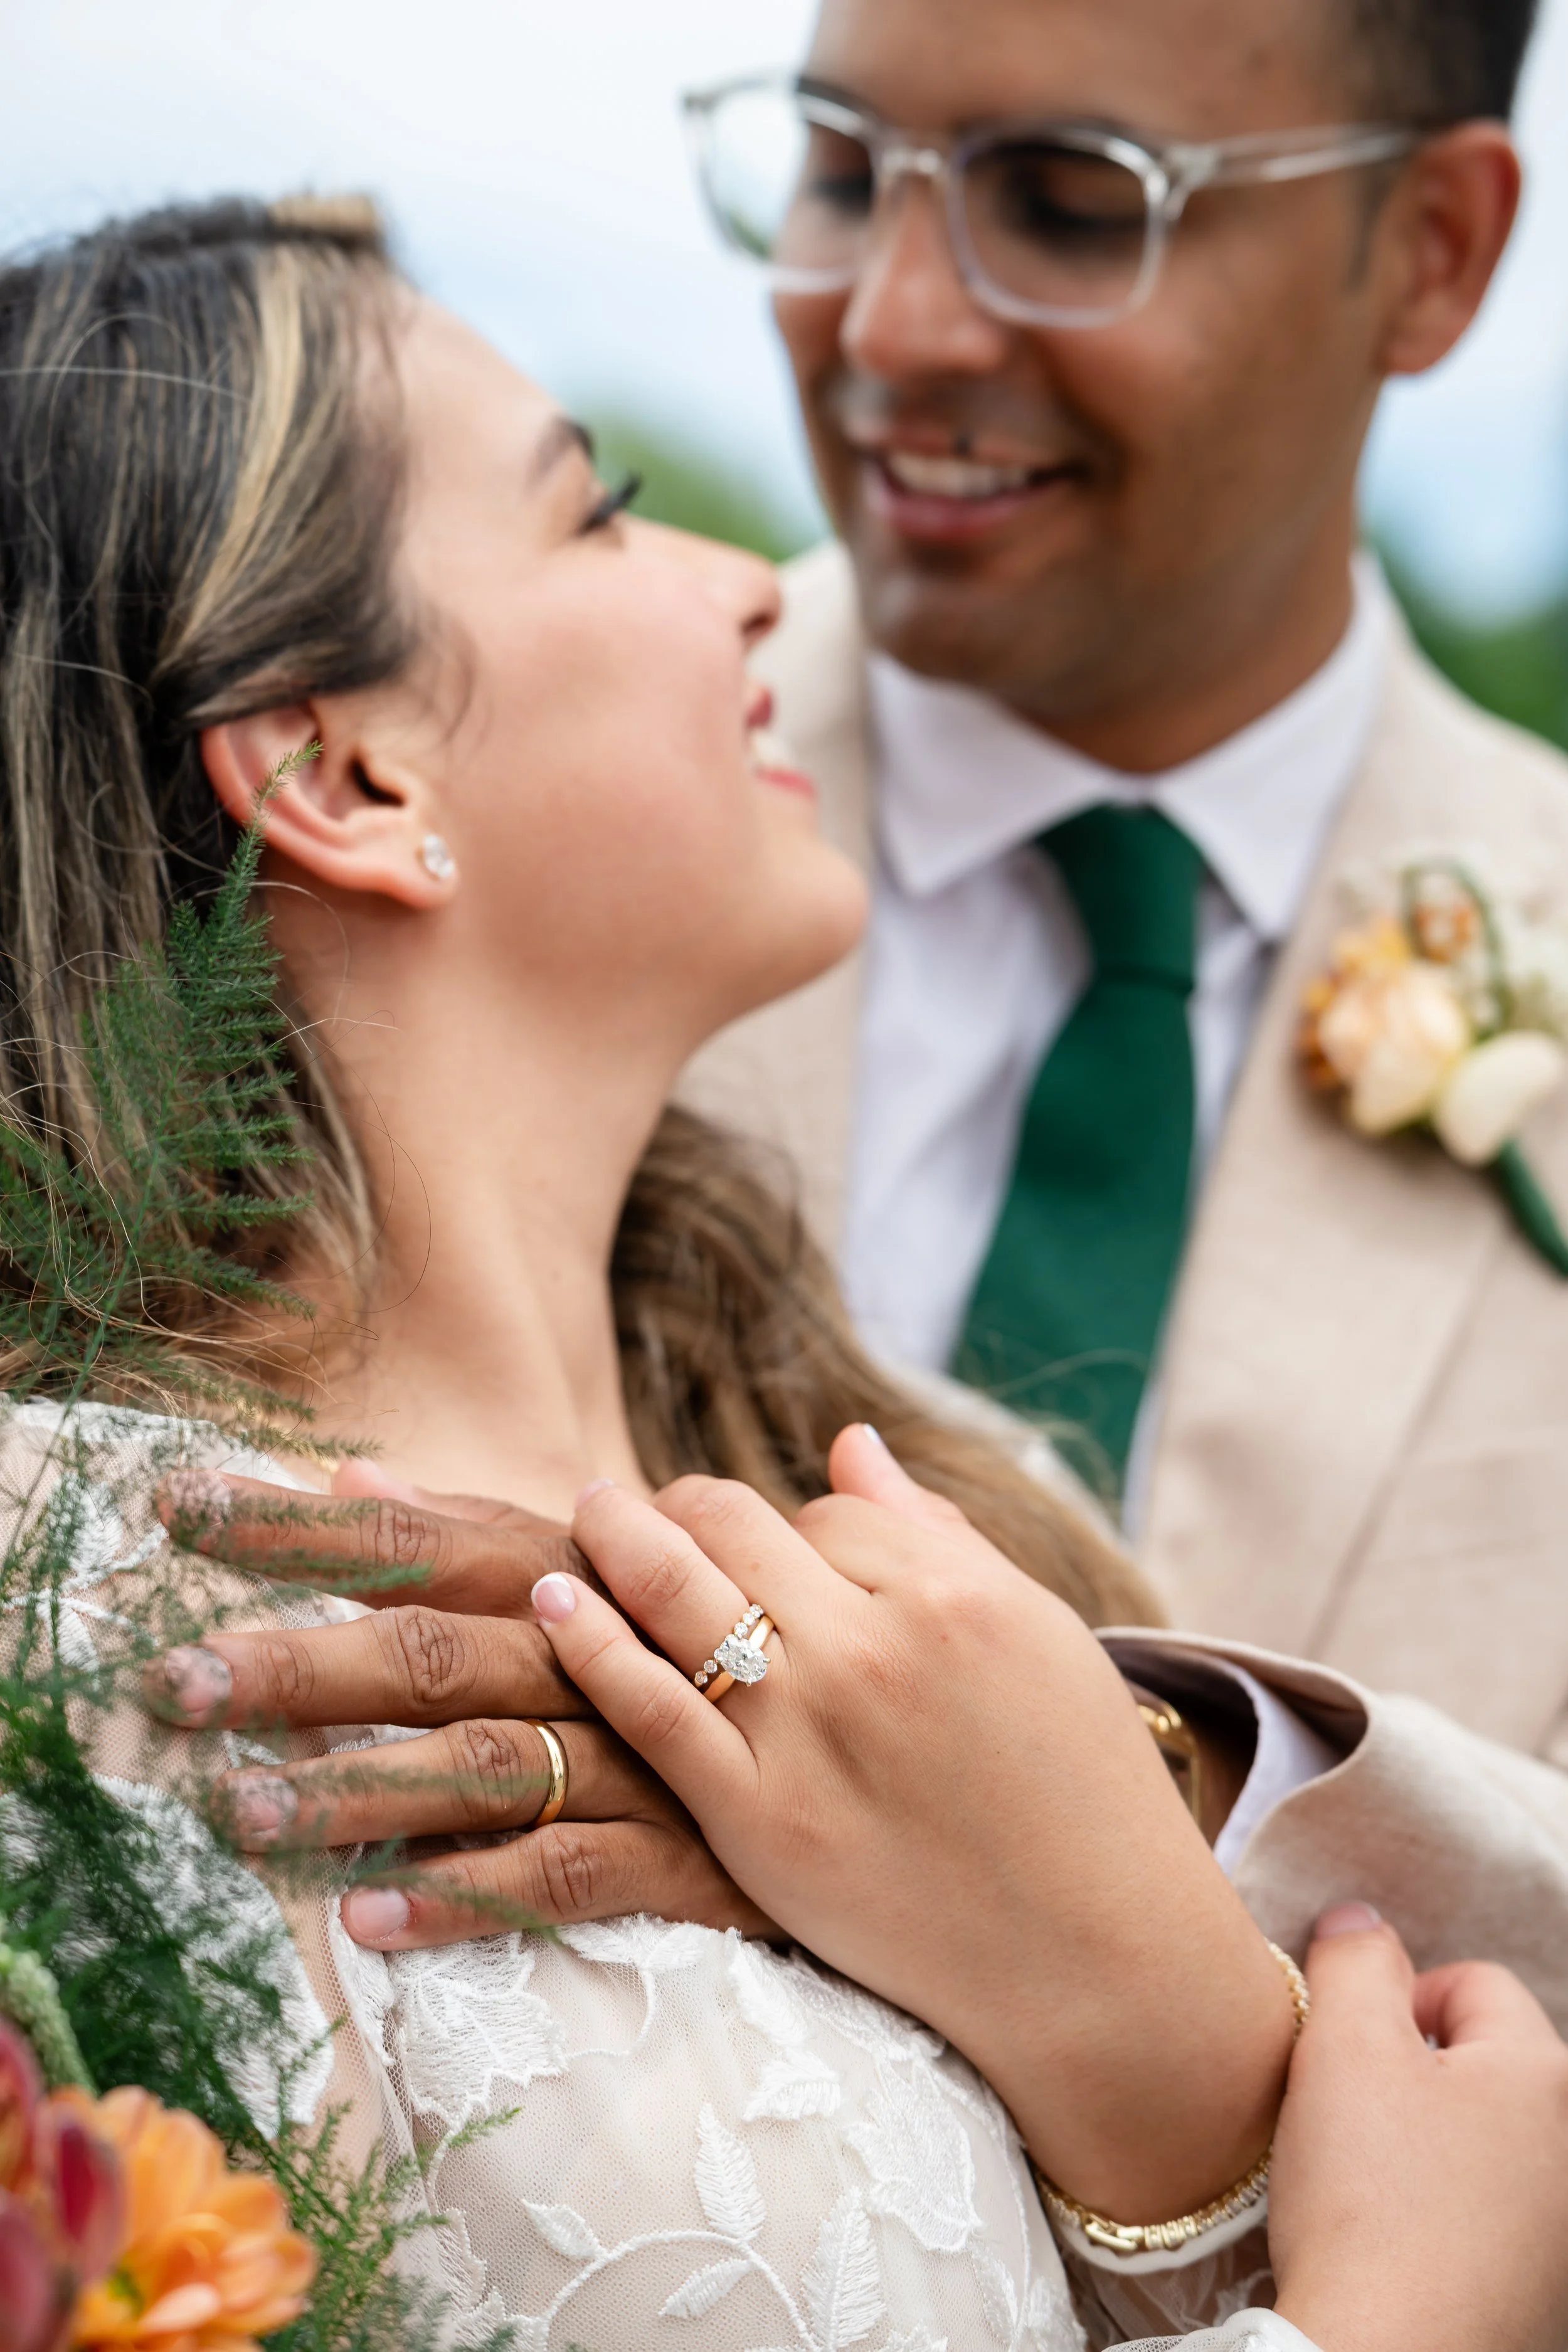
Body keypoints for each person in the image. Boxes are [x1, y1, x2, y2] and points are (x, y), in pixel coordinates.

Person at [3, 193, 1568, 2352]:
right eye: (598, 512)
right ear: (346, 770)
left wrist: (1158, 2040)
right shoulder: (87, 1617)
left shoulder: (945, 1510)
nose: (752, 577)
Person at [672, 0, 1568, 1759]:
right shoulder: (468, 832)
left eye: (1073, 204)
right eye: (840, 170)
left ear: (1432, 251)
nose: (889, 322)